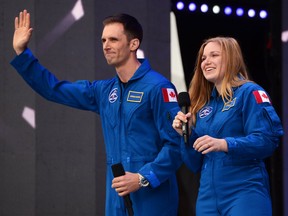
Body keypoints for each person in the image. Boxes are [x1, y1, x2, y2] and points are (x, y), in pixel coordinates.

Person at [11, 10, 183, 216]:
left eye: (113, 39)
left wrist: (141, 178)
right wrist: (23, 54)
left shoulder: (159, 87)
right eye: (103, 40)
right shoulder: (104, 91)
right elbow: (53, 89)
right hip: (116, 195)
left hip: (152, 196)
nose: (106, 46)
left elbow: (176, 145)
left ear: (134, 44)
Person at [172, 36, 284, 216]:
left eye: (214, 55)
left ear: (231, 59)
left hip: (244, 192)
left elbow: (268, 139)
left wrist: (224, 144)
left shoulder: (250, 92)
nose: (206, 62)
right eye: (203, 58)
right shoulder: (202, 106)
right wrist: (186, 135)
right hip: (208, 198)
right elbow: (194, 164)